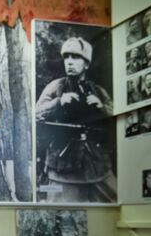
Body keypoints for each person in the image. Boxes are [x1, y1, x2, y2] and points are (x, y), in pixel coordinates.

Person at [35, 37, 115, 203]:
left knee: (115, 202)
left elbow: (117, 116)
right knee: (58, 211)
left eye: (75, 57)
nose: (69, 62)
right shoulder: (55, 87)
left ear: (86, 64)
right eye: (67, 57)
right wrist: (59, 102)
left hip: (96, 167)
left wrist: (102, 107)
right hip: (62, 169)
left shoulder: (98, 91)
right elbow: (36, 114)